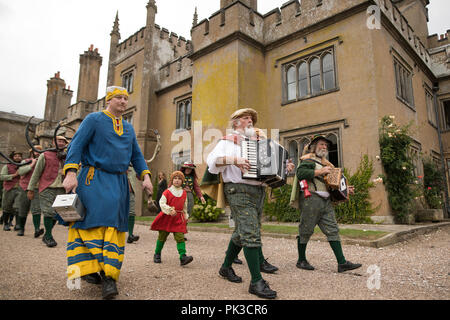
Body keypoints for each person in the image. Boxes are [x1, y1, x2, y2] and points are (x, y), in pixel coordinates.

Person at [63, 86, 153, 300]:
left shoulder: (129, 129)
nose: (123, 101)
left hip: (120, 182)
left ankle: (108, 272)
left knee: (114, 225)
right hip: (94, 177)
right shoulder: (94, 119)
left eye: (125, 98)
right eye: (118, 98)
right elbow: (75, 145)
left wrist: (146, 176)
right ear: (109, 101)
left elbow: (137, 156)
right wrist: (71, 172)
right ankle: (96, 271)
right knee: (92, 223)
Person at [206, 107, 294, 299]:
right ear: (236, 122)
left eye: (251, 119)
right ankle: (256, 281)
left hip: (259, 190)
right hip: (238, 189)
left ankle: (225, 267)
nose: (250, 121)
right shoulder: (228, 141)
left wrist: (285, 167)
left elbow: (272, 167)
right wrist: (234, 159)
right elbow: (212, 163)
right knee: (250, 232)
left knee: (242, 231)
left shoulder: (260, 144)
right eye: (245, 118)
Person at [292, 134, 361, 273]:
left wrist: (346, 189)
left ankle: (342, 263)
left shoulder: (327, 164)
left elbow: (333, 184)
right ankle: (301, 260)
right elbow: (300, 173)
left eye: (325, 145)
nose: (324, 147)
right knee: (306, 230)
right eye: (321, 144)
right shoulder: (308, 160)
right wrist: (319, 171)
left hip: (326, 201)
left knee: (333, 229)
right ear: (313, 147)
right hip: (311, 199)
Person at [27, 137, 68, 247]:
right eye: (58, 141)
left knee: (57, 213)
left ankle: (46, 234)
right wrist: (30, 189)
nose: (61, 143)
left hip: (62, 188)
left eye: (63, 141)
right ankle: (49, 236)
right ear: (53, 142)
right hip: (47, 187)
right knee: (48, 211)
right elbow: (36, 173)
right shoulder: (44, 155)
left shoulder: (67, 156)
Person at [150, 171, 193, 266]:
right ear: (172, 180)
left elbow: (184, 207)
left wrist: (185, 216)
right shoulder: (167, 191)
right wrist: (169, 210)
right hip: (167, 217)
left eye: (179, 179)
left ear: (182, 181)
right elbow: (162, 203)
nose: (177, 180)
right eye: (175, 178)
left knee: (180, 237)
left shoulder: (184, 193)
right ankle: (157, 253)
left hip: (178, 218)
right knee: (162, 236)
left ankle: (183, 257)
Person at [16, 146, 44, 237]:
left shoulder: (43, 161)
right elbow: (20, 172)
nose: (38, 153)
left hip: (36, 188)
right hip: (24, 187)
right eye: (36, 151)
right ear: (32, 152)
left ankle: (37, 230)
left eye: (40, 151)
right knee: (23, 208)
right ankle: (21, 228)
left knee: (36, 209)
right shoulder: (25, 161)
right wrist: (32, 164)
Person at [1, 151, 23, 231]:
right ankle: (6, 224)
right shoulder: (7, 166)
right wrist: (14, 175)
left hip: (20, 189)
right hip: (9, 188)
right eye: (16, 156)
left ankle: (17, 224)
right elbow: (2, 177)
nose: (17, 157)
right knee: (7, 207)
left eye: (19, 156)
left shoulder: (23, 166)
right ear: (12, 157)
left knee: (18, 207)